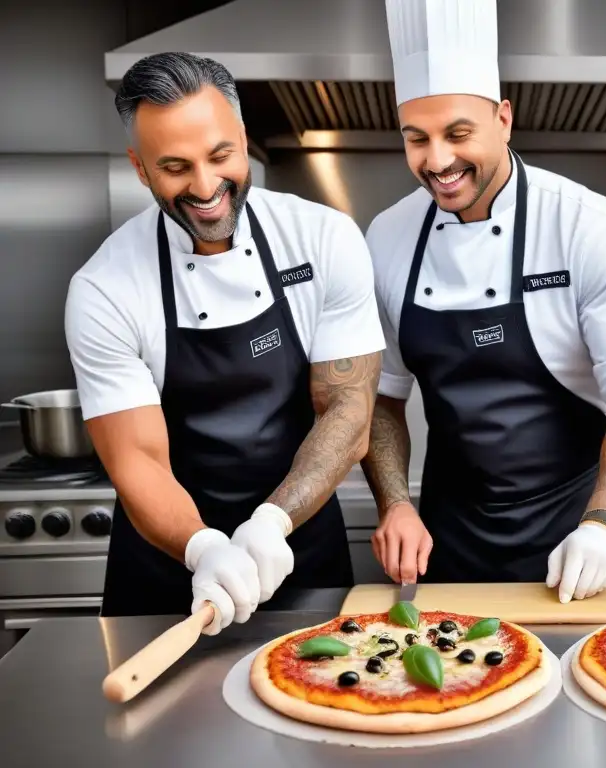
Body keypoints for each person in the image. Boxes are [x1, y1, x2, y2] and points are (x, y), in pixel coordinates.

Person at [360, 0, 606, 602]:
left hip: (580, 534)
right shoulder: (388, 236)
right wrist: (395, 504)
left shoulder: (591, 226)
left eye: (458, 134)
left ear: (504, 119)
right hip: (448, 537)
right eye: (416, 139)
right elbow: (381, 396)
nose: (437, 161)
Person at [64, 53, 385, 634]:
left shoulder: (322, 238)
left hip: (298, 547)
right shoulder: (104, 288)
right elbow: (137, 460)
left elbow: (348, 409)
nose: (207, 187)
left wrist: (270, 523)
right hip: (167, 568)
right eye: (175, 167)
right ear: (140, 168)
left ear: (242, 138)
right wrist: (203, 550)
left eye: (220, 156)